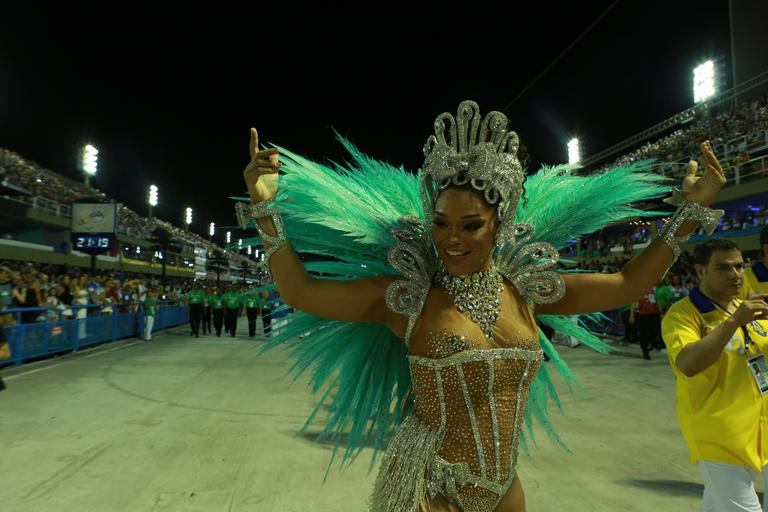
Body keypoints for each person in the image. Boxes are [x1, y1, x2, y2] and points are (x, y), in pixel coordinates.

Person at [239, 101, 725, 511]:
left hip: (505, 488)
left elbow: (625, 282)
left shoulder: (528, 290)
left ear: (499, 223)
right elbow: (300, 291)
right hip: (428, 488)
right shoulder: (407, 298)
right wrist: (265, 209)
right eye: (441, 223)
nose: (451, 238)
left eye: (469, 225)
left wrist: (688, 213)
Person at [661, 239, 768, 511]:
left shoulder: (747, 307)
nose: (735, 275)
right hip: (718, 435)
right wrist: (734, 322)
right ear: (700, 271)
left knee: (716, 503)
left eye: (739, 266)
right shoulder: (683, 314)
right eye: (723, 268)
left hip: (760, 428)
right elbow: (688, 363)